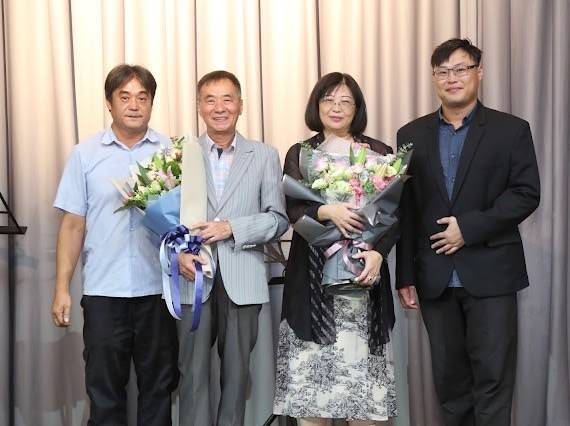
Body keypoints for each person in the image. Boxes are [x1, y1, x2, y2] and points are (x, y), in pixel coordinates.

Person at [396, 38, 540, 426]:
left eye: (461, 69)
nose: (452, 78)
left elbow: (526, 194)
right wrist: (405, 274)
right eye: (443, 71)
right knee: (450, 385)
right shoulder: (411, 134)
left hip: (492, 273)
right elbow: (406, 209)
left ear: (479, 72)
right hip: (434, 277)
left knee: (493, 381)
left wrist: (468, 228)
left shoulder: (511, 130)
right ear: (434, 79)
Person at [51, 64, 179, 425]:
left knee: (159, 389)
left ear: (151, 103)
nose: (134, 105)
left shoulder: (171, 152)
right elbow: (72, 225)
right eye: (125, 97)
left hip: (158, 291)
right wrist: (61, 288)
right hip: (104, 291)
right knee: (104, 392)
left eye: (142, 97)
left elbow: (187, 219)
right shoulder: (85, 154)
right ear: (109, 103)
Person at [273, 72, 398, 426]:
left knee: (364, 408)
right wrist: (327, 211)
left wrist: (378, 252)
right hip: (312, 288)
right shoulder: (301, 153)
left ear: (357, 108)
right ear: (316, 105)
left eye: (345, 101)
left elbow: (395, 214)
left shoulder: (379, 154)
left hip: (363, 283)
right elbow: (293, 208)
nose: (336, 107)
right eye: (328, 99)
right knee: (313, 406)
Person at [176, 70, 289, 426]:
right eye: (210, 100)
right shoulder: (181, 154)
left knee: (237, 377)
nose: (219, 107)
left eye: (227, 99)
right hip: (192, 277)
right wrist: (178, 252)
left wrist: (231, 228)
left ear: (241, 105)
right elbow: (166, 217)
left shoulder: (264, 155)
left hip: (243, 277)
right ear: (199, 106)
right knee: (191, 375)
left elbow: (278, 220)